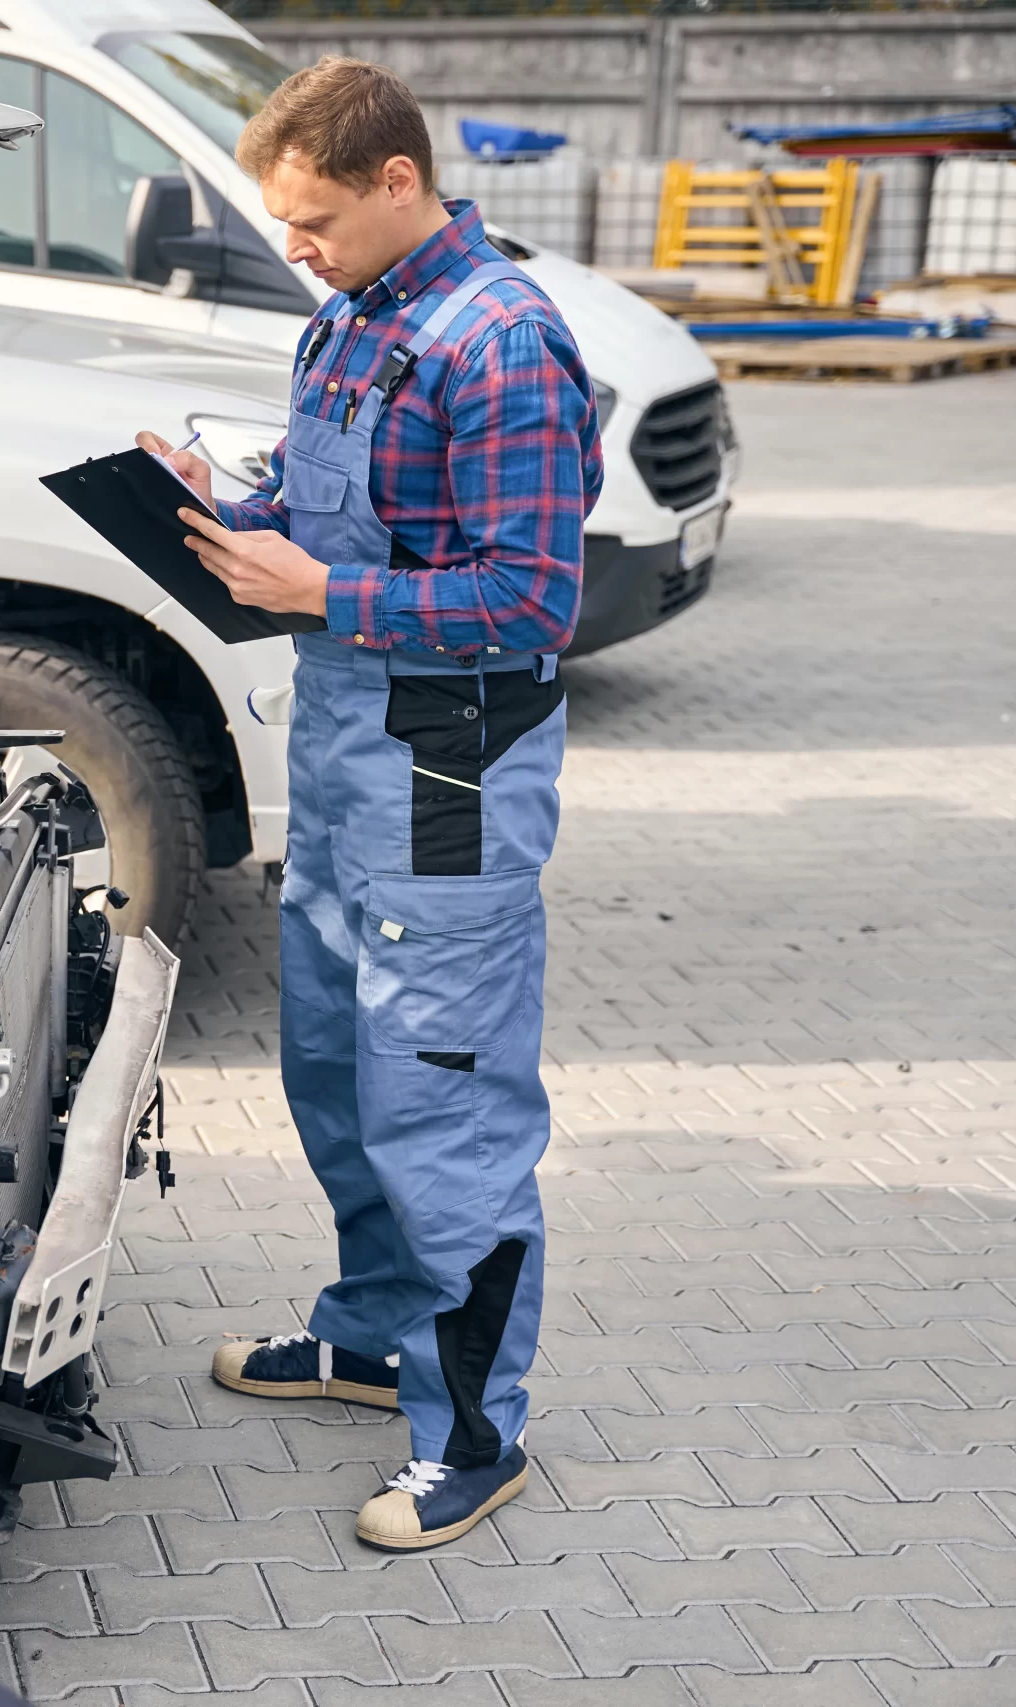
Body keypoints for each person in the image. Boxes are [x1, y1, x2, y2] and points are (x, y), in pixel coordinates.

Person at [138, 57, 600, 1553]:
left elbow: (534, 592)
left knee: (442, 1102)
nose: (299, 249)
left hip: (453, 769)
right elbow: (344, 506)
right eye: (287, 225)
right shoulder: (351, 316)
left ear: (401, 181)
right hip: (347, 756)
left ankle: (476, 1431)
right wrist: (217, 501)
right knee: (335, 1069)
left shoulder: (503, 340)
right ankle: (369, 1334)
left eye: (319, 219)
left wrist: (322, 588)